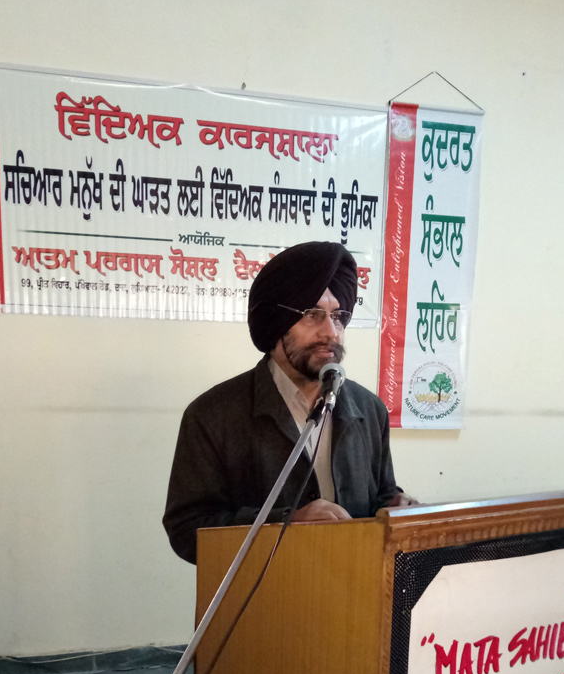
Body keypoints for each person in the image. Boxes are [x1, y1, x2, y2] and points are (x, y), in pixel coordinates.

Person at [163, 241, 416, 564]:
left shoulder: (369, 409)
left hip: (355, 587)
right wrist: (285, 524)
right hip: (265, 593)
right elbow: (187, 530)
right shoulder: (213, 415)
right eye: (312, 315)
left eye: (338, 316)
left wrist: (395, 506)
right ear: (276, 323)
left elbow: (380, 496)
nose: (331, 332)